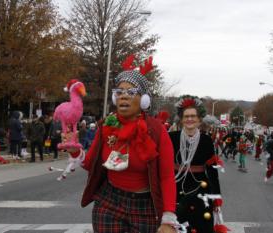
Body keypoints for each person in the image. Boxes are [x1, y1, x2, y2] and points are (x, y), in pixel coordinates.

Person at [70, 55, 178, 233]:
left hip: (144, 207)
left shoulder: (156, 130)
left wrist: (168, 217)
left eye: (131, 92)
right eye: (119, 92)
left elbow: (166, 176)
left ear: (143, 100)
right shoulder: (106, 125)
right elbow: (90, 164)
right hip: (109, 202)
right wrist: (75, 152)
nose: (123, 97)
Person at [169, 95, 227, 233]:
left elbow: (212, 171)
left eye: (193, 116)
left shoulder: (206, 140)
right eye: (186, 116)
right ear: (181, 119)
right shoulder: (172, 137)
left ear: (199, 119)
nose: (189, 119)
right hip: (176, 187)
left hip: (200, 189)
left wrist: (216, 197)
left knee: (201, 225)